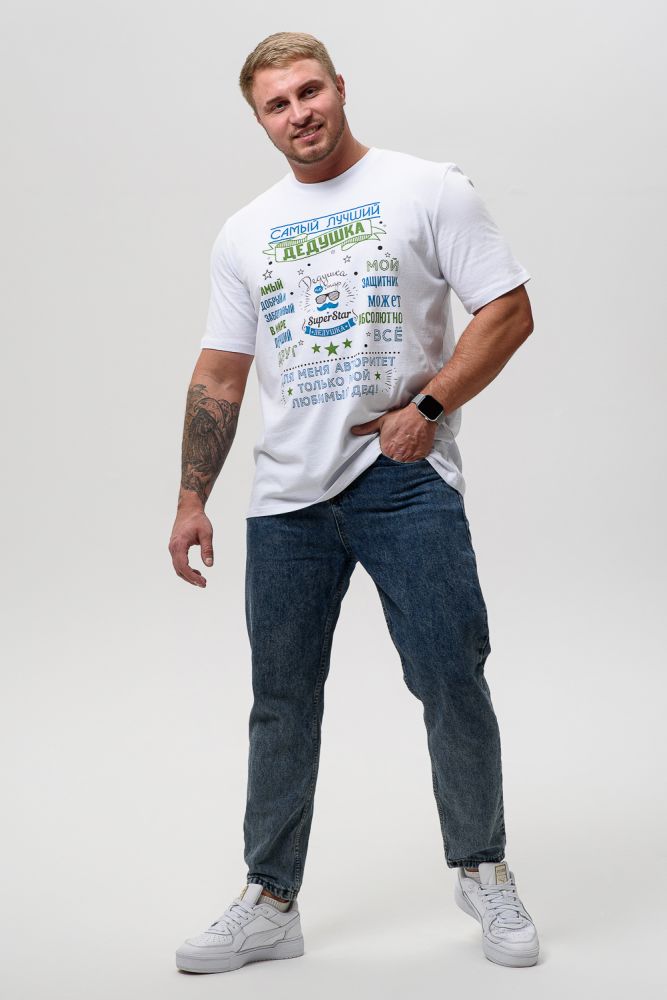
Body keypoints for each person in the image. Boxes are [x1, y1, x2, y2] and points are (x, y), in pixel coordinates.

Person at [170, 31, 540, 974]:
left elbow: (506, 309)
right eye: (277, 104)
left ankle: (484, 870)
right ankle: (269, 899)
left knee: (450, 678)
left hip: (402, 482)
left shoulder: (426, 187)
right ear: (260, 121)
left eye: (309, 91)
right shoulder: (245, 231)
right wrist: (190, 497)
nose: (298, 113)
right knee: (281, 701)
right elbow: (220, 373)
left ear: (338, 87)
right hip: (285, 499)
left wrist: (428, 407)